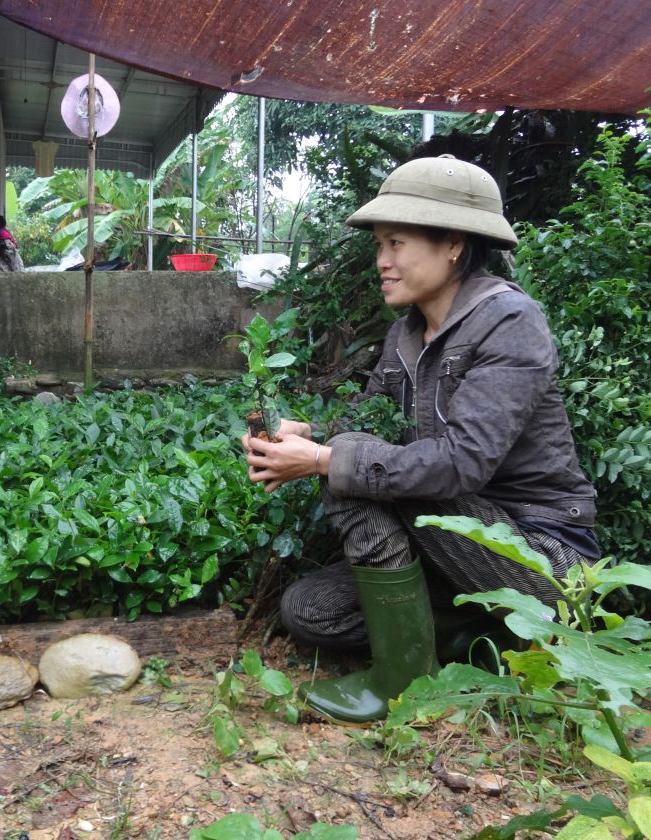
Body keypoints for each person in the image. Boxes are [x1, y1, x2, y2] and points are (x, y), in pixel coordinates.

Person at [242, 155, 598, 723]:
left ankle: (403, 676)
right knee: (309, 609)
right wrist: (309, 438)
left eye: (396, 243)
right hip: (450, 546)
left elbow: (459, 465)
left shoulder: (510, 322)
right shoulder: (405, 334)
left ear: (453, 243)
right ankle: (478, 639)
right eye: (379, 245)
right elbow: (370, 422)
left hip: (541, 558)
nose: (382, 261)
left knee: (349, 466)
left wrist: (324, 458)